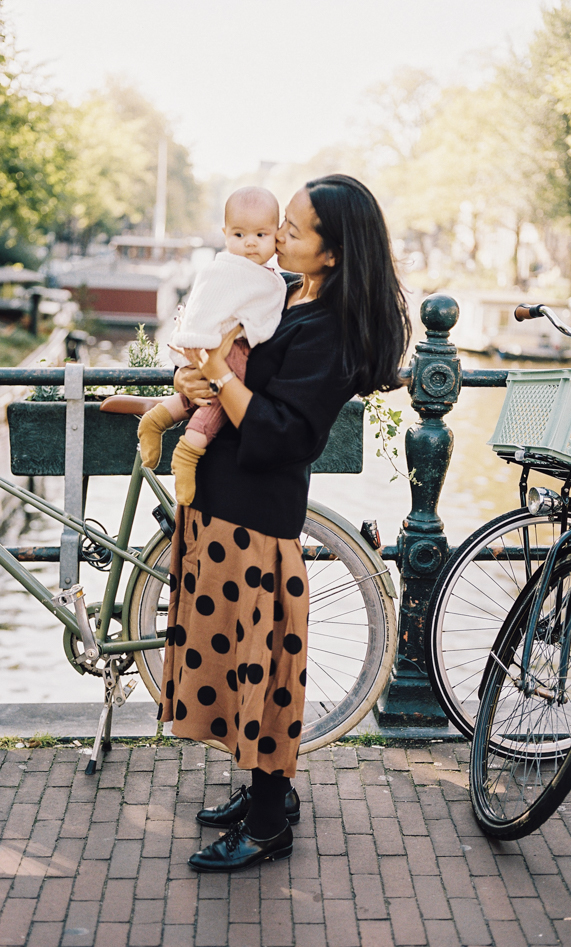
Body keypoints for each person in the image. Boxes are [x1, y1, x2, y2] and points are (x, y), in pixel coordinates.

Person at [159, 174, 411, 873]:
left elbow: (287, 433)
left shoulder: (330, 328)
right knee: (238, 662)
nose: (278, 238)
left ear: (332, 253)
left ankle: (269, 823)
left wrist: (221, 374)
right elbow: (238, 365)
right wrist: (202, 374)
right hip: (224, 503)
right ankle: (265, 795)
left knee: (263, 670)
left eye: (294, 231)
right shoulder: (291, 292)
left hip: (254, 520)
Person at [137, 186, 285, 505]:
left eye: (261, 234)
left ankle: (159, 418)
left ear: (277, 235)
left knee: (203, 393)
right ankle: (188, 454)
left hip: (207, 347)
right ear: (224, 234)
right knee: (221, 396)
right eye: (239, 234)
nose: (250, 242)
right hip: (222, 349)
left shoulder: (244, 272)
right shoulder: (233, 271)